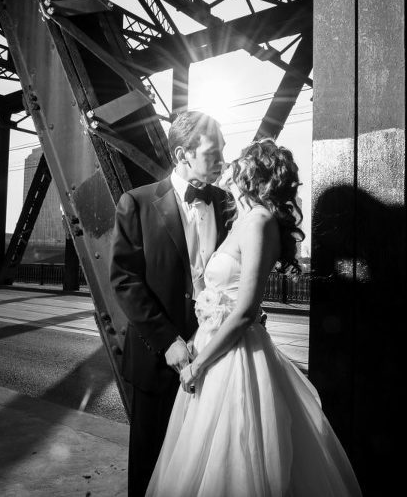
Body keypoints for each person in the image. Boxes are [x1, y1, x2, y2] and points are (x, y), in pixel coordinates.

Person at [146, 139, 362, 497]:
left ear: (251, 173)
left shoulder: (259, 221)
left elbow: (245, 311)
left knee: (233, 456)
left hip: (234, 358)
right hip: (216, 347)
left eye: (237, 161)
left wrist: (197, 367)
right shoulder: (242, 220)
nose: (228, 164)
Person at [110, 111, 230, 496]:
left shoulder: (226, 204)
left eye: (223, 150)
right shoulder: (136, 203)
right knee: (151, 465)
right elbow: (125, 280)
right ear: (182, 154)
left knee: (206, 465)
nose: (222, 158)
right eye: (213, 152)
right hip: (158, 360)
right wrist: (168, 342)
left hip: (215, 355)